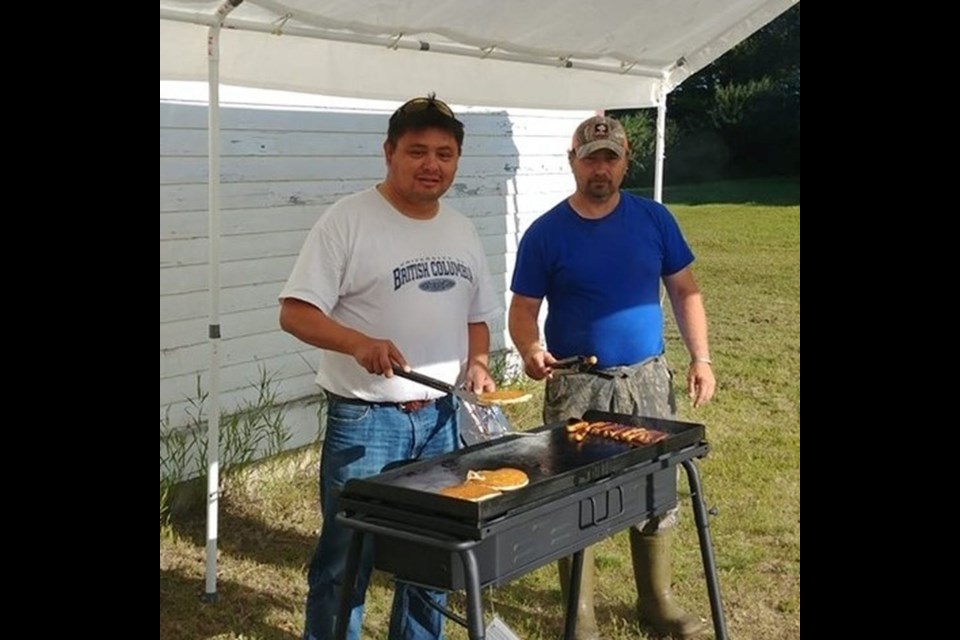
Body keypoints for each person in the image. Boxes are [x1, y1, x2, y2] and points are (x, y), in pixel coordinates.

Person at [279, 94, 502, 640]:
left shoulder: (462, 229)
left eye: (445, 154)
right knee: (345, 559)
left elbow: (478, 316)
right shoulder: (348, 221)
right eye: (418, 151)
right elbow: (295, 312)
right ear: (389, 152)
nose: (432, 165)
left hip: (442, 417)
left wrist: (477, 363)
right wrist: (356, 342)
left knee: (433, 556)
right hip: (366, 420)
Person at [508, 115, 716, 640]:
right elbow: (523, 309)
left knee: (656, 486)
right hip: (578, 383)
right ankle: (579, 619)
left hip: (646, 378)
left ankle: (657, 600)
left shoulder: (654, 220)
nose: (600, 168)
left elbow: (685, 291)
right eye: (590, 158)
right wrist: (530, 349)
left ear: (625, 163)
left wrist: (702, 358)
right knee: (575, 495)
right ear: (572, 162)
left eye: (610, 158)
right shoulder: (546, 232)